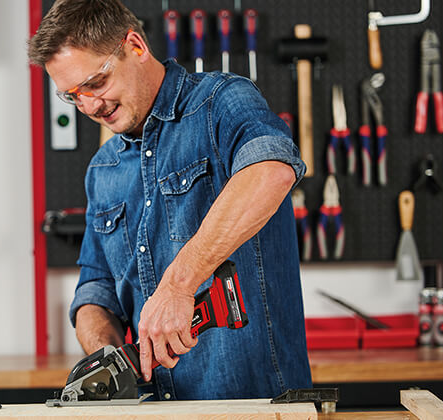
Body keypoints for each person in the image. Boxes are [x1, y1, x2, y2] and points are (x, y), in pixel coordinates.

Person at [28, 0, 312, 400]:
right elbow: (95, 289)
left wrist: (179, 285)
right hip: (154, 408)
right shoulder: (102, 169)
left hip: (256, 405)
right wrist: (108, 359)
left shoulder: (220, 102)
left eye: (95, 83)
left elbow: (272, 170)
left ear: (136, 47)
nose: (90, 106)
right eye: (72, 96)